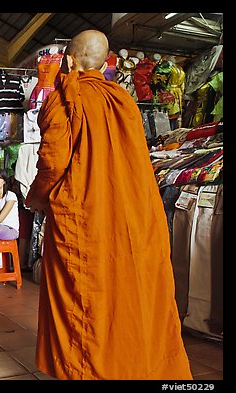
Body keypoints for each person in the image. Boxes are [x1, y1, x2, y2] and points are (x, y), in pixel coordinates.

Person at [24, 30, 192, 380]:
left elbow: (53, 161)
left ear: (70, 61)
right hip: (128, 211)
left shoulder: (66, 97)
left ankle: (88, 370)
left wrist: (37, 198)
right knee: (126, 292)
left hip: (83, 216)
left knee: (85, 296)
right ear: (105, 62)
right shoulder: (124, 99)